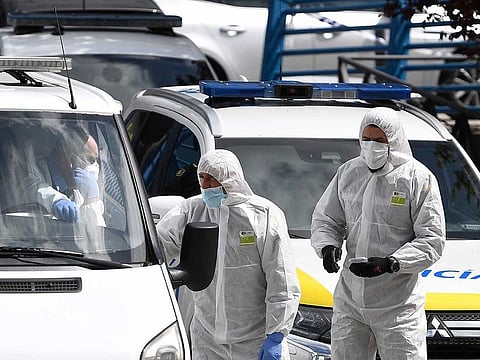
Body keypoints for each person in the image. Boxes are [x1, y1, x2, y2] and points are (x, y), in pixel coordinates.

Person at [310, 107, 446, 360]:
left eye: (380, 140)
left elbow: (432, 239)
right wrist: (327, 246)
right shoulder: (349, 173)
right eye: (367, 139)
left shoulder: (417, 178)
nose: (372, 146)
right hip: (351, 300)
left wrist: (392, 263)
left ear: (394, 141)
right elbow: (327, 219)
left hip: (397, 305)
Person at [156, 149, 301, 360]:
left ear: (229, 180)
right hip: (208, 337)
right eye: (201, 177)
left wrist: (276, 335)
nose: (205, 185)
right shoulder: (192, 210)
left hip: (255, 339)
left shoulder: (264, 215)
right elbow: (160, 244)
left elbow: (282, 279)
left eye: (211, 179)